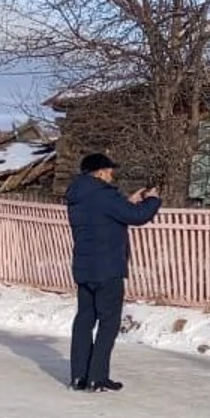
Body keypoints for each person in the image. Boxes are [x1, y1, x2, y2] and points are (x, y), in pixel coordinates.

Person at [64, 152, 161, 392]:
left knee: (84, 320)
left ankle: (79, 376)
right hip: (108, 270)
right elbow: (137, 217)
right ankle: (97, 377)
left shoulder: (77, 196)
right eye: (108, 170)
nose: (111, 174)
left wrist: (127, 202)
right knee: (108, 323)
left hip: (84, 268)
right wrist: (152, 201)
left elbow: (107, 218)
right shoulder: (104, 195)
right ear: (98, 172)